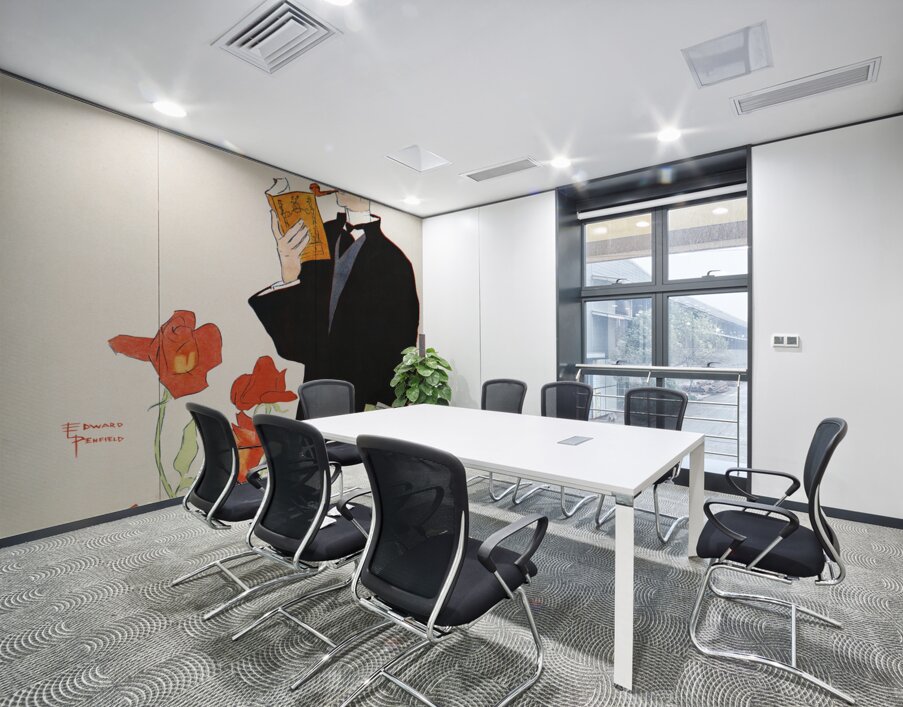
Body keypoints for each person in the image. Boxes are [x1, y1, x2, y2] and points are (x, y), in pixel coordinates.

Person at [249, 188, 419, 411]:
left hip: (362, 397)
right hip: (314, 390)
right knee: (312, 444)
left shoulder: (395, 261)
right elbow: (298, 340)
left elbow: (399, 344)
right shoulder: (319, 236)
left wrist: (380, 404)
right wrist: (290, 270)